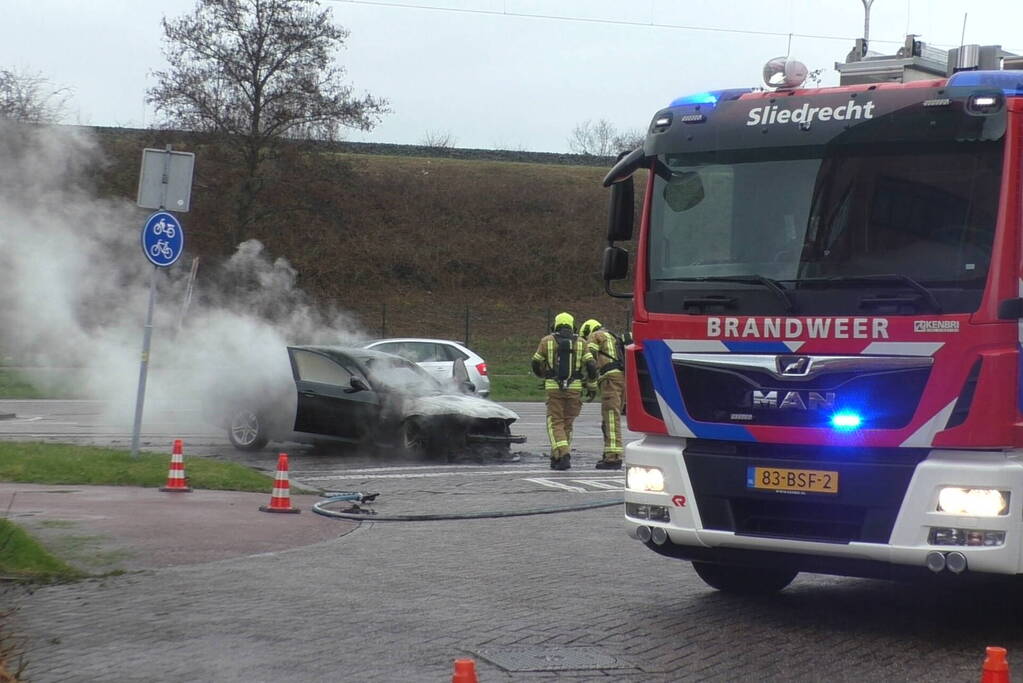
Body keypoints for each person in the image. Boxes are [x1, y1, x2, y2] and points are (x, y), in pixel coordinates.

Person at [531, 312, 596, 470]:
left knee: (555, 423)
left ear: (555, 325)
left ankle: (564, 453)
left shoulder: (546, 341)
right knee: (567, 423)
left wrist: (543, 374)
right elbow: (591, 365)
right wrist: (592, 385)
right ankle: (557, 457)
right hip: (575, 389)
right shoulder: (581, 342)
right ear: (573, 326)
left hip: (554, 388)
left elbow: (536, 361)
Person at [580, 318, 626, 470]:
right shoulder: (612, 336)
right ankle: (609, 453)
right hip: (622, 378)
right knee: (611, 418)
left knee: (611, 417)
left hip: (610, 379)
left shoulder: (595, 335)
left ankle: (613, 457)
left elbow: (589, 357)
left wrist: (586, 378)